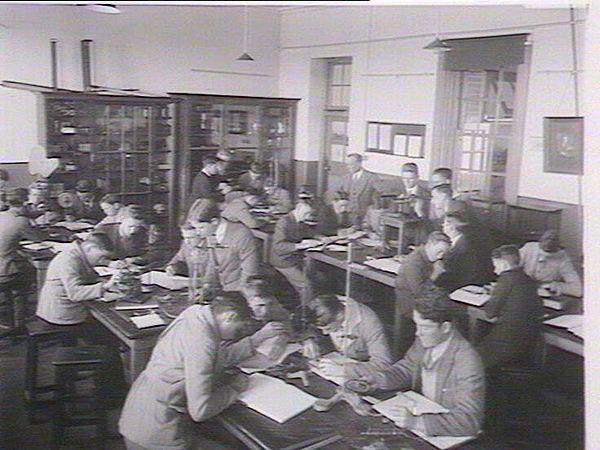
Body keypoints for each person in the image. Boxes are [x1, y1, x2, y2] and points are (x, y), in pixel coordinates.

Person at [119, 295, 287, 450]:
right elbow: (200, 411)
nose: (238, 334)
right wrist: (235, 388)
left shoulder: (196, 313)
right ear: (230, 316)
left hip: (137, 415)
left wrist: (254, 340)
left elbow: (217, 357)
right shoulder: (203, 342)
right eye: (239, 329)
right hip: (157, 436)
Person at [361, 290, 485, 437]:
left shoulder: (467, 360)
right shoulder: (427, 339)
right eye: (417, 325)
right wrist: (378, 379)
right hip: (421, 413)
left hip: (445, 433)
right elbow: (407, 368)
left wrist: (416, 423)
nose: (417, 333)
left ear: (445, 328)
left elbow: (469, 421)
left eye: (425, 327)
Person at [476, 245, 543, 369]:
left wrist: (493, 296)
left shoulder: (506, 278)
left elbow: (490, 313)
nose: (495, 271)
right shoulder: (529, 279)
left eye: (496, 266)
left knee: (472, 357)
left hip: (505, 342)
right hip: (527, 344)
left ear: (504, 263)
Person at [35, 233, 117, 325]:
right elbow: (75, 294)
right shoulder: (69, 260)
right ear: (90, 248)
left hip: (67, 309)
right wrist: (106, 286)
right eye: (102, 257)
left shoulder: (78, 254)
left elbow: (86, 278)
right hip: (62, 316)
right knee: (106, 331)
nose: (104, 260)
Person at [307, 294, 393, 380]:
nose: (325, 333)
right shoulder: (326, 305)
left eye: (328, 328)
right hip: (338, 358)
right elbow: (309, 326)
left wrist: (345, 370)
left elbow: (383, 364)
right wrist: (309, 339)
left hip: (363, 369)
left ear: (339, 316)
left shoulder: (369, 323)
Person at [394, 231, 452, 353]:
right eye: (439, 252)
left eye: (444, 253)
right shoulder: (414, 261)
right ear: (430, 244)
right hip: (410, 304)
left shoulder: (430, 257)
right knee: (444, 322)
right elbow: (419, 292)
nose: (441, 256)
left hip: (425, 301)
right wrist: (435, 274)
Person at [0, 188, 45, 327]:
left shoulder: (2, 215)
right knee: (30, 275)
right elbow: (38, 238)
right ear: (25, 204)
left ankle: (10, 313)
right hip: (5, 272)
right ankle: (20, 323)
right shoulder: (21, 221)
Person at [187, 214, 261, 292]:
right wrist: (207, 285)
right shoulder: (211, 231)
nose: (198, 233)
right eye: (196, 228)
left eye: (201, 227)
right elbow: (213, 264)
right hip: (222, 290)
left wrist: (238, 295)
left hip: (239, 291)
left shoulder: (241, 234)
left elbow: (250, 271)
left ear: (214, 221)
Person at [271, 200, 320, 299]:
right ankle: (307, 311)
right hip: (283, 260)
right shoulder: (284, 222)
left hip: (296, 259)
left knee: (319, 278)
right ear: (298, 208)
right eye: (306, 213)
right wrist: (300, 246)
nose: (308, 216)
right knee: (307, 286)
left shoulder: (299, 221)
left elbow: (308, 233)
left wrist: (320, 238)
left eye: (309, 213)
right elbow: (278, 246)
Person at [434, 212, 495, 292]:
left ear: (452, 227)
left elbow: (447, 270)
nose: (442, 226)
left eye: (445, 224)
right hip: (467, 280)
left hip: (462, 286)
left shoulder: (461, 246)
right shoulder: (465, 239)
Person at [519, 229, 583, 297]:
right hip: (522, 290)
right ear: (540, 239)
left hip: (544, 295)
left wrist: (553, 286)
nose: (549, 242)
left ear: (558, 243)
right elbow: (511, 268)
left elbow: (578, 290)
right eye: (547, 238)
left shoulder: (563, 259)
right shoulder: (529, 248)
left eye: (553, 239)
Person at [341, 153, 378, 226]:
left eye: (351, 164)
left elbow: (376, 199)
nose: (348, 167)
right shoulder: (345, 178)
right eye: (347, 164)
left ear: (359, 163)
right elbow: (341, 195)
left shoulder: (371, 178)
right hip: (347, 216)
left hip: (364, 217)